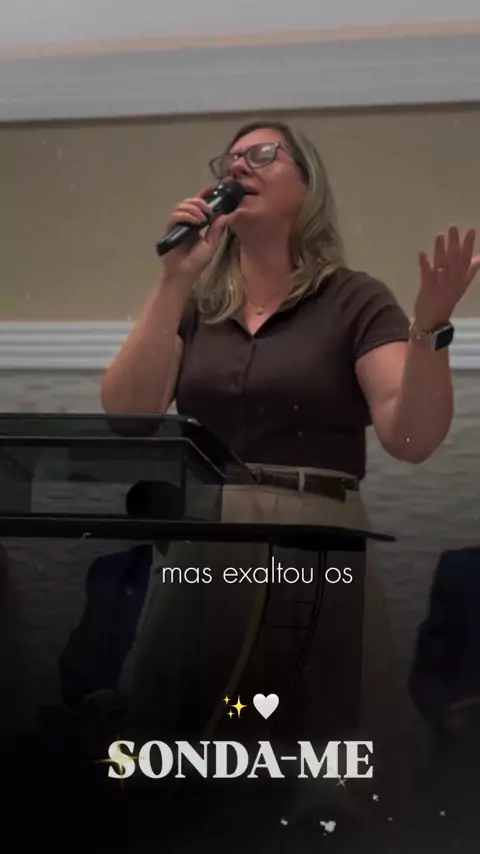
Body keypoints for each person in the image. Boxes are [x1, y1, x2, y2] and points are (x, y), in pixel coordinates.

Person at [99, 119, 479, 833]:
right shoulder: (199, 305)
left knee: (316, 764)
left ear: (308, 185)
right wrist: (174, 280)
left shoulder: (355, 299)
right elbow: (127, 414)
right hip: (206, 543)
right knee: (181, 744)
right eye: (231, 159)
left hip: (315, 541)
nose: (240, 166)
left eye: (264, 154)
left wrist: (430, 329)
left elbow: (410, 437)